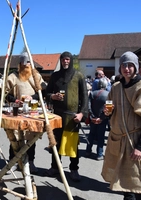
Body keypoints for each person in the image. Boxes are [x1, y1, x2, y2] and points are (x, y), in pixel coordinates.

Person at [101, 51, 141, 200]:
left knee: (139, 185)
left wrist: (140, 147)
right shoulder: (116, 87)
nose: (127, 68)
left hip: (136, 142)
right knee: (126, 186)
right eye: (124, 65)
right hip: (119, 142)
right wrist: (106, 113)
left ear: (136, 67)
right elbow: (110, 108)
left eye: (130, 65)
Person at [44, 51, 88, 182]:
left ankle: (74, 169)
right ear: (61, 60)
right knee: (55, 143)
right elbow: (47, 93)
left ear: (71, 60)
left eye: (68, 59)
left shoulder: (79, 76)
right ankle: (55, 167)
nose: (65, 61)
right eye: (63, 59)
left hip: (73, 117)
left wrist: (82, 114)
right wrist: (52, 96)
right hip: (57, 116)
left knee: (72, 145)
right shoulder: (55, 76)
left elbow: (84, 97)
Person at [4, 52, 46, 174]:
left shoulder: (36, 76)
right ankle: (13, 161)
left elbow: (43, 91)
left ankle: (30, 161)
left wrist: (32, 97)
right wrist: (16, 100)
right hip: (17, 112)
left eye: (28, 62)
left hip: (32, 112)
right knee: (15, 138)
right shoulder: (12, 77)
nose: (26, 65)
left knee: (31, 138)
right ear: (20, 64)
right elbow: (6, 94)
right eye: (24, 62)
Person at [86, 78, 109, 161]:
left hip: (93, 118)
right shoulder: (108, 94)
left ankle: (88, 151)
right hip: (103, 119)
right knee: (101, 136)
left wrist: (92, 117)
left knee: (91, 135)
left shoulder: (92, 93)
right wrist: (102, 118)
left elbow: (88, 107)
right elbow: (108, 109)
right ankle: (99, 154)